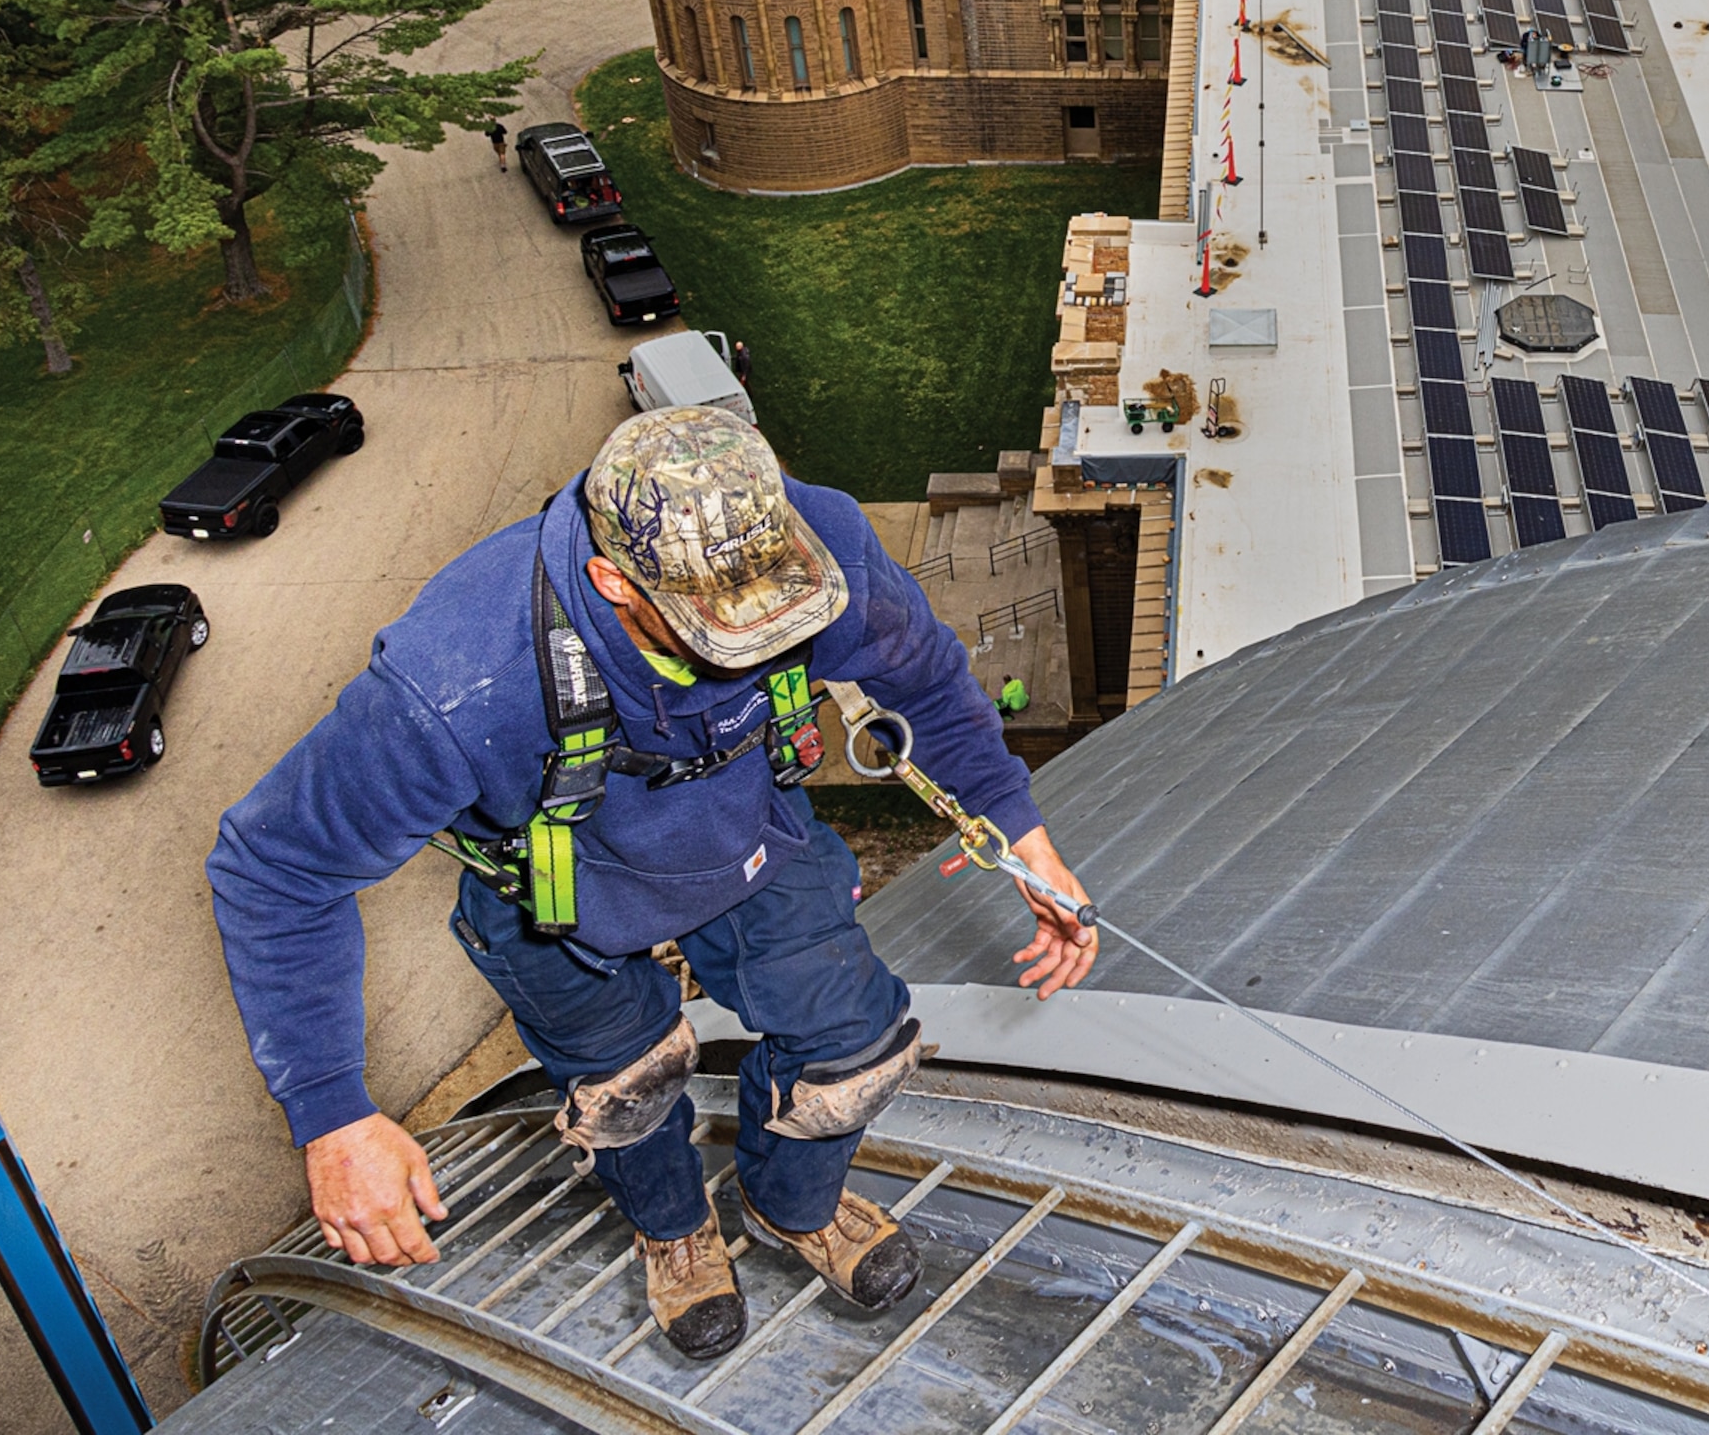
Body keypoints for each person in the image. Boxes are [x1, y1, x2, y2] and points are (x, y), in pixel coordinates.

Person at [207, 408, 1095, 1360]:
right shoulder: (461, 685)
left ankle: (791, 1205)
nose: (762, 644)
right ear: (612, 583)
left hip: (745, 833)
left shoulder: (805, 538)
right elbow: (276, 866)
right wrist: (333, 1113)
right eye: (725, 631)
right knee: (627, 1091)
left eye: (780, 619)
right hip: (555, 895)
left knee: (857, 1046)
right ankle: (674, 1231)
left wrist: (1021, 835)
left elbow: (921, 679)